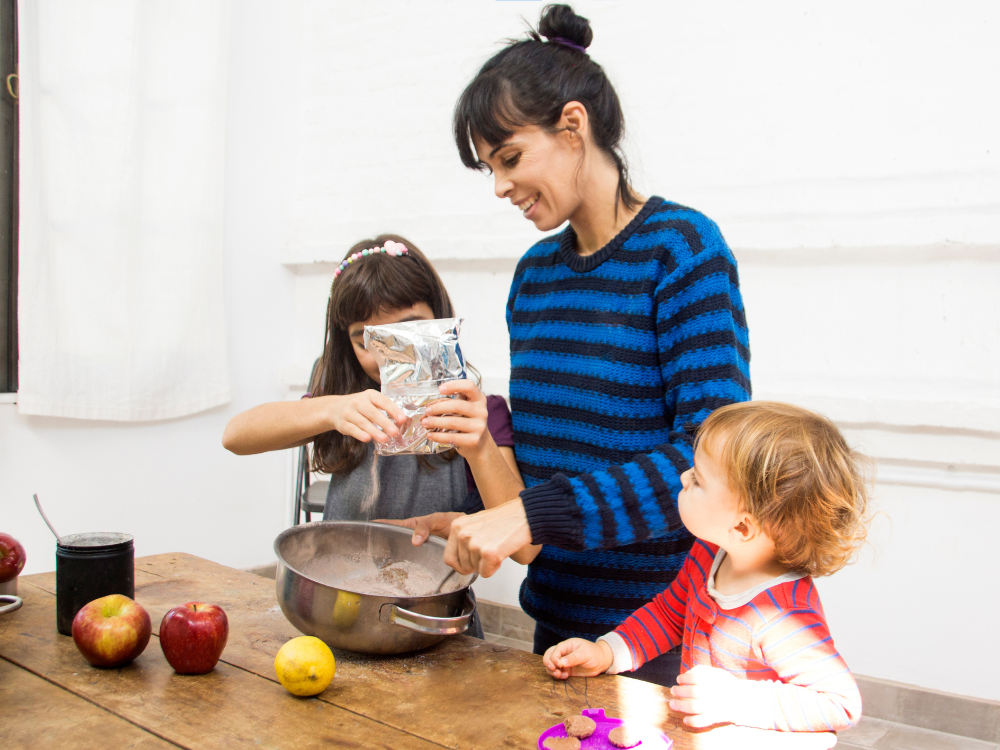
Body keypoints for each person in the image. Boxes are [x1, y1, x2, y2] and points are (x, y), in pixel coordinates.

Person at [438, 4, 751, 685]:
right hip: (556, 632)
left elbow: (712, 457)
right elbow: (546, 466)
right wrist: (484, 485)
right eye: (490, 168)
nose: (500, 187)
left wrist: (530, 513)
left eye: (511, 158)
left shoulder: (683, 252)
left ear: (574, 126)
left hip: (665, 633)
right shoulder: (535, 278)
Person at [543, 402, 869, 732]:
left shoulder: (784, 615)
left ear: (743, 528)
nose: (684, 477)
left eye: (698, 479)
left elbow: (839, 703)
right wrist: (607, 652)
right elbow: (669, 615)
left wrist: (736, 702)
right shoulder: (709, 554)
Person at [221, 234, 538, 560]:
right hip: (341, 588)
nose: (390, 357)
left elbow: (525, 550)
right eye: (367, 341)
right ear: (348, 345)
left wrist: (479, 445)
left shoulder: (483, 414)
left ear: (439, 321)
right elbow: (235, 436)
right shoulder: (342, 404)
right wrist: (331, 409)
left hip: (430, 601)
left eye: (408, 331)